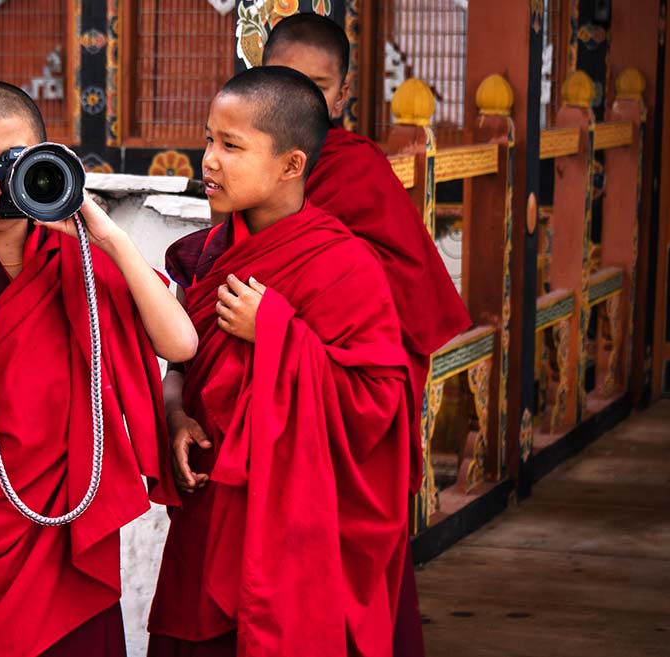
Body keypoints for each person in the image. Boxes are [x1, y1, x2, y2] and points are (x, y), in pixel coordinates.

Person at [0, 80, 196, 657]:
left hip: (60, 537)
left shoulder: (77, 256)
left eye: (12, 162)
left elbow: (181, 341)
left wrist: (107, 234)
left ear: (44, 162)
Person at [149, 66, 413, 657]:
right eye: (209, 139)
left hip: (295, 528)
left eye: (232, 146)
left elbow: (376, 406)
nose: (209, 160)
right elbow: (182, 368)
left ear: (292, 165)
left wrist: (274, 330)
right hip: (212, 505)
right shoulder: (202, 255)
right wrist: (173, 415)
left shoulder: (344, 266)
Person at [264, 15, 475, 653]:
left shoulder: (357, 169)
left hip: (345, 390)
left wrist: (292, 321)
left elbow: (394, 300)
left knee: (343, 546)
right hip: (269, 392)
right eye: (286, 81)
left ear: (346, 91)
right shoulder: (246, 159)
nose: (303, 100)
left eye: (319, 86)